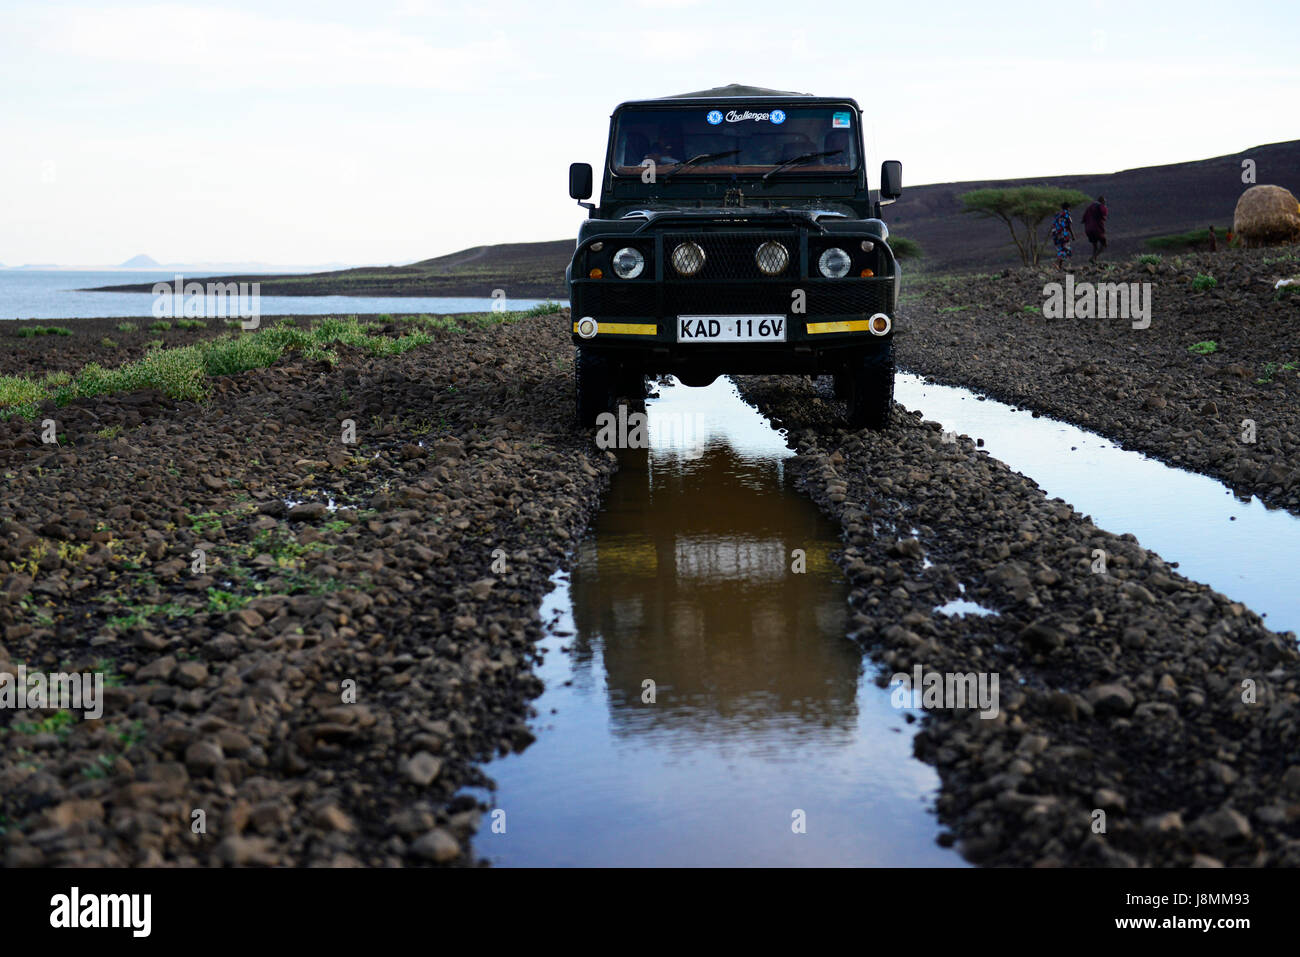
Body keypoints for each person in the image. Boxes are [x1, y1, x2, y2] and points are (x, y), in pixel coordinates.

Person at [1082, 195, 1108, 263]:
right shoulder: (1101, 206)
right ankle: (1093, 258)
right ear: (1102, 201)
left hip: (1088, 229)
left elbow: (1083, 219)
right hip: (1097, 229)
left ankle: (1094, 260)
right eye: (1104, 201)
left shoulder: (1089, 207)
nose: (1105, 203)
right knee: (1104, 244)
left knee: (1095, 245)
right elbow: (1104, 216)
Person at [1050, 202, 1075, 272]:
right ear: (1068, 208)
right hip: (1063, 234)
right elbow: (1069, 226)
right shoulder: (1066, 214)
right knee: (1065, 249)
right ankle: (1057, 263)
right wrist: (1073, 235)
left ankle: (1060, 266)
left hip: (1056, 234)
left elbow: (1054, 224)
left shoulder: (1058, 214)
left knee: (1061, 249)